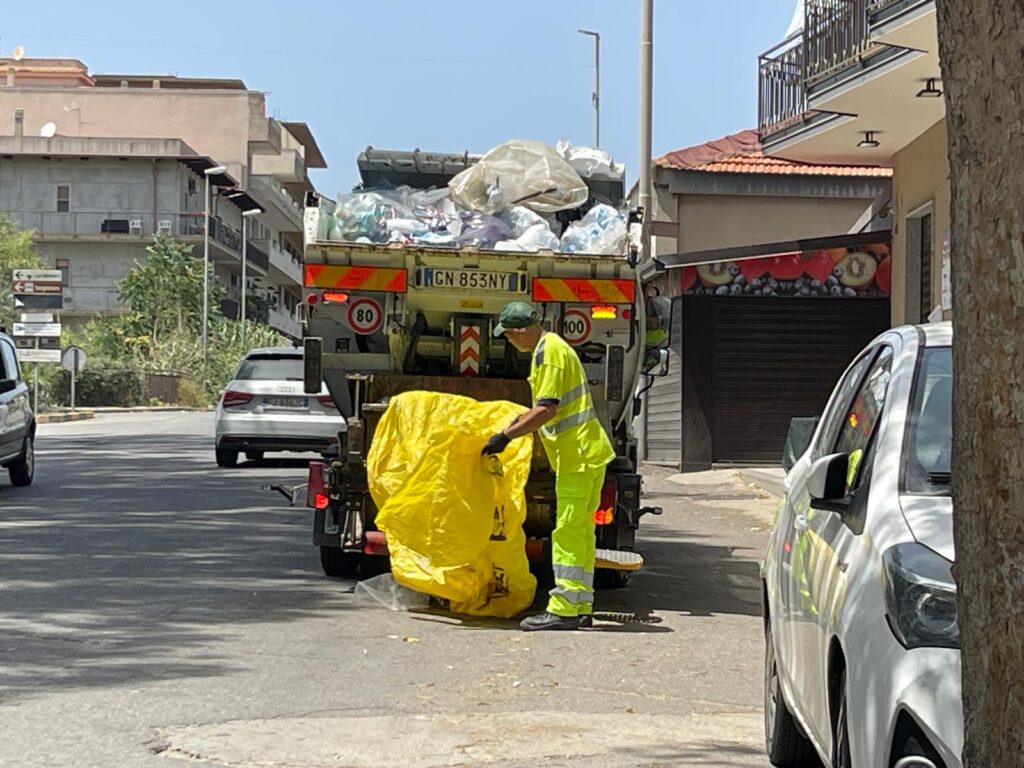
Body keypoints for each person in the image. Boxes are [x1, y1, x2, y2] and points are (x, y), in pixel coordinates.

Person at [482, 301, 614, 631]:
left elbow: (546, 409)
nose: (511, 343)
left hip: (577, 455)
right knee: (581, 532)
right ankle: (581, 603)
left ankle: (563, 609)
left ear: (521, 332)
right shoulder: (553, 348)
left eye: (510, 337)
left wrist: (505, 436)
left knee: (568, 532)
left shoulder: (548, 353)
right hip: (584, 454)